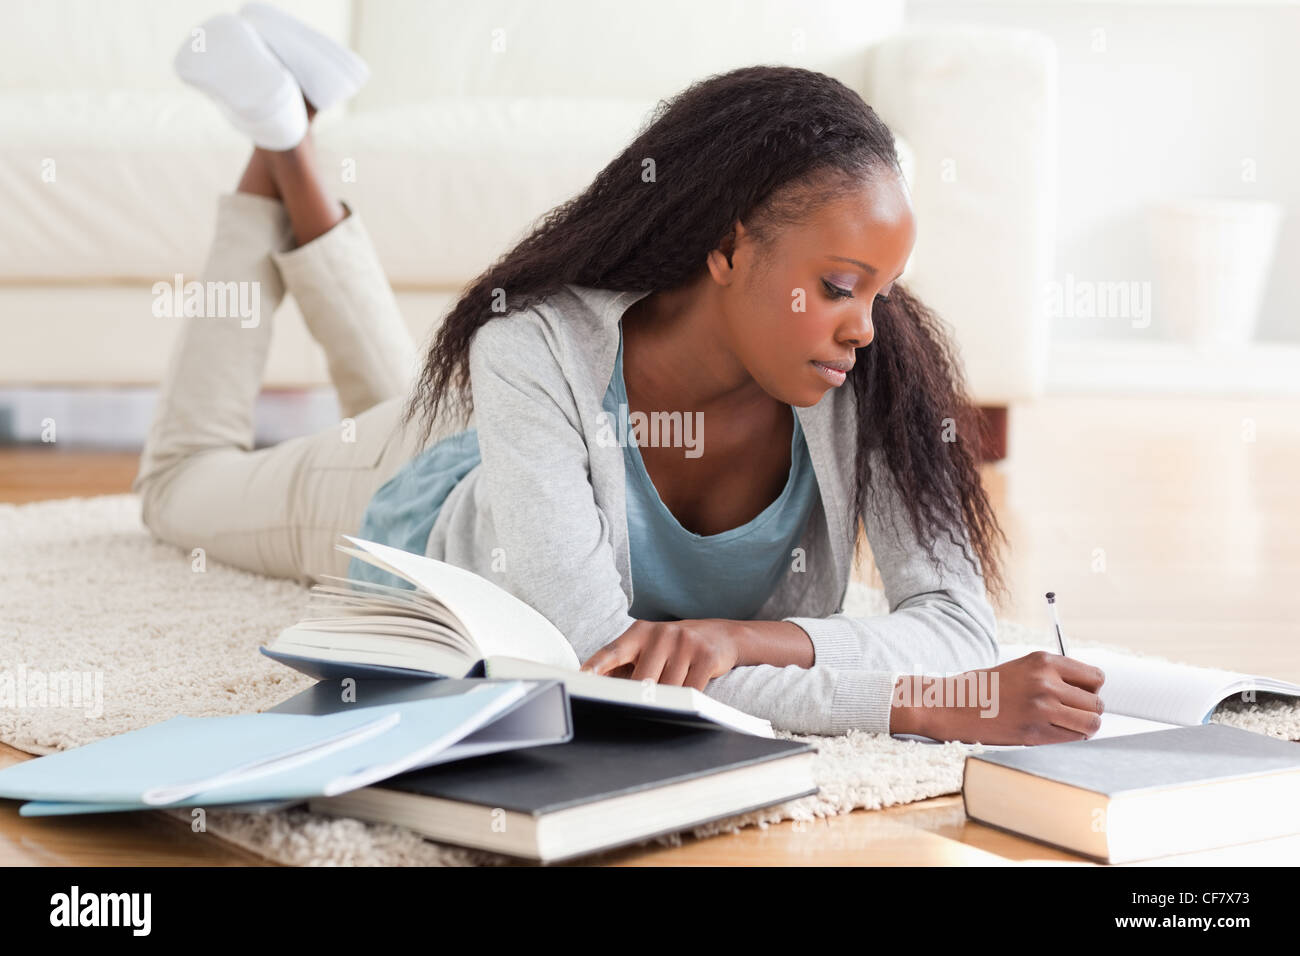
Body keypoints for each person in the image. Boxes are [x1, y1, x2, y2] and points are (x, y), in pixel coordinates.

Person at [135, 6, 1106, 745]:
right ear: (729, 249)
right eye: (839, 285)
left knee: (402, 383)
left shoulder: (862, 373)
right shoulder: (532, 347)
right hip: (415, 494)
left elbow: (960, 629)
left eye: (882, 292)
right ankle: (278, 138)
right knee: (177, 489)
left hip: (523, 451)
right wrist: (923, 705)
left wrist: (740, 637)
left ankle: (293, 132)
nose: (866, 327)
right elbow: (591, 661)